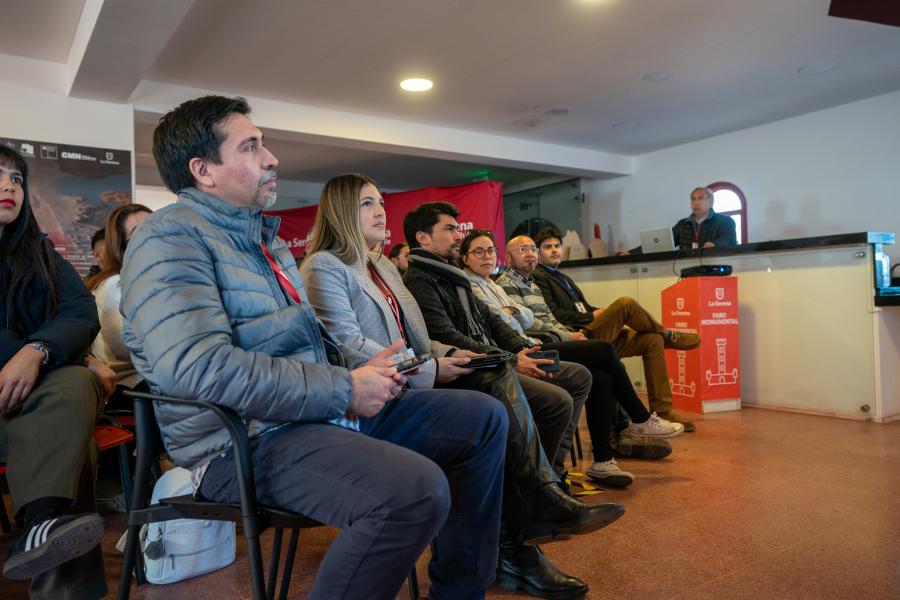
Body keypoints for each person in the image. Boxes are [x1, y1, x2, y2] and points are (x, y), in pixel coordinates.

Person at [119, 96, 510, 600]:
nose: (271, 158)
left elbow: (294, 343)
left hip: (308, 416)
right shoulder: (167, 239)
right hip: (239, 442)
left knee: (482, 417)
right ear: (203, 170)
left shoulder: (264, 241)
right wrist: (343, 388)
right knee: (412, 492)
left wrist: (359, 370)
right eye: (251, 147)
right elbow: (196, 368)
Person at [303, 175, 623, 599]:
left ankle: (527, 521)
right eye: (367, 204)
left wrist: (449, 354)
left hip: (413, 375)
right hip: (379, 394)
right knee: (492, 397)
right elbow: (350, 347)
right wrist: (432, 367)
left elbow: (415, 336)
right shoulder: (325, 265)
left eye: (380, 201)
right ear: (341, 211)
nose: (380, 211)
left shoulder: (381, 266)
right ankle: (531, 517)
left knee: (537, 395)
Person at [465, 231, 683, 484]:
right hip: (528, 348)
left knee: (602, 375)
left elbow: (525, 316)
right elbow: (507, 321)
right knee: (605, 348)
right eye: (478, 252)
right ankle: (640, 418)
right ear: (465, 258)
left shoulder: (496, 285)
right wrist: (557, 331)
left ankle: (603, 461)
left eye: (490, 250)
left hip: (540, 340)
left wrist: (515, 312)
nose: (487, 256)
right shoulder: (477, 286)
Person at [0, 145, 114, 599]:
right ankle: (64, 583)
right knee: (71, 418)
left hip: (39, 398)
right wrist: (43, 352)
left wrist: (39, 351)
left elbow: (81, 312)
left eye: (16, 179)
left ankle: (40, 525)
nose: (9, 186)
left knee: (72, 395)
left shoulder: (39, 252)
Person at [532, 227, 700, 432]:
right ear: (538, 252)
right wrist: (591, 316)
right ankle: (668, 334)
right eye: (547, 247)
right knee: (626, 304)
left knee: (651, 340)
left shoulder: (563, 278)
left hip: (592, 330)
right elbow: (554, 315)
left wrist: (601, 312)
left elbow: (583, 307)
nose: (554, 250)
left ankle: (663, 410)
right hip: (577, 337)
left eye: (557, 245)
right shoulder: (538, 276)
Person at [85, 204, 153, 410]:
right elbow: (127, 346)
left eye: (156, 225)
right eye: (140, 232)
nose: (153, 235)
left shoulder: (153, 281)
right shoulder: (115, 285)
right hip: (134, 385)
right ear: (121, 247)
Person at [672, 187, 737, 249]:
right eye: (693, 199)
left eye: (700, 198)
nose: (696, 203)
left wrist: (715, 244)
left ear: (711, 203)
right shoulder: (682, 224)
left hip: (712, 256)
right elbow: (669, 240)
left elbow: (729, 240)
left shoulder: (725, 221)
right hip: (685, 257)